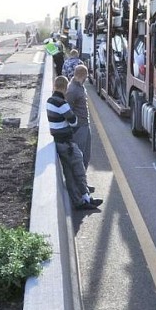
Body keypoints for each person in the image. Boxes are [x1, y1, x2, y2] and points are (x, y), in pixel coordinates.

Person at [46, 75, 102, 211]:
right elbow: (73, 120)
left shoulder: (49, 101)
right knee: (79, 169)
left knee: (69, 174)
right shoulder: (61, 103)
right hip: (67, 143)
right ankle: (85, 198)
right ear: (65, 88)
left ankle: (80, 201)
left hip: (59, 142)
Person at [65, 64, 96, 196]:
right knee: (80, 157)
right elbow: (68, 110)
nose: (86, 78)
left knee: (86, 156)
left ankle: (83, 183)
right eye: (86, 76)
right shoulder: (72, 90)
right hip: (79, 127)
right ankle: (79, 187)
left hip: (85, 125)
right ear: (82, 75)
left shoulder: (79, 86)